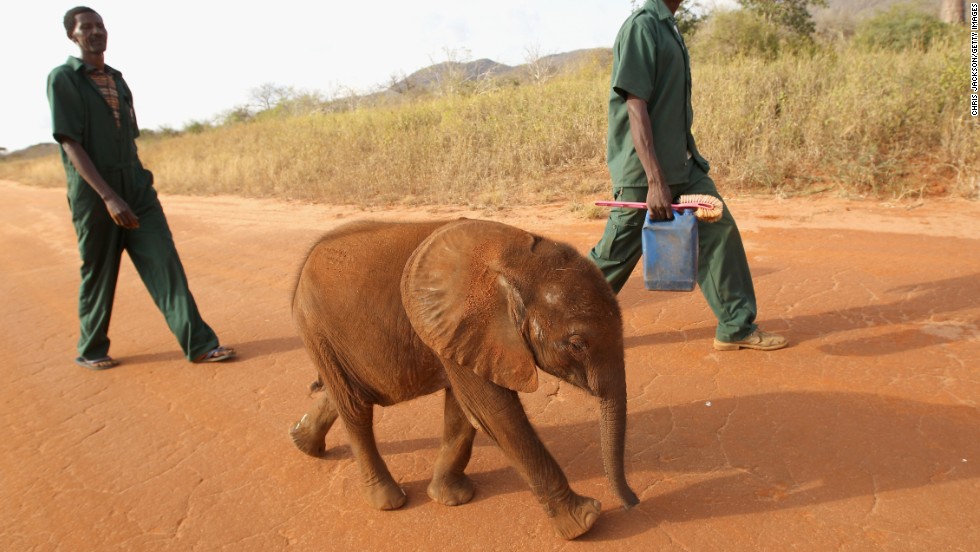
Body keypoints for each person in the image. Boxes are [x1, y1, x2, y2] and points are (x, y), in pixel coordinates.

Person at [588, 0, 787, 351]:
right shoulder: (642, 25)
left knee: (719, 230)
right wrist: (654, 180)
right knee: (615, 256)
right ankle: (545, 318)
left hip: (684, 166)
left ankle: (736, 326)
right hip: (644, 170)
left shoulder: (669, 26)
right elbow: (635, 107)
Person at [48, 6, 236, 369]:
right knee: (98, 272)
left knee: (165, 262)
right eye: (86, 27)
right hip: (94, 194)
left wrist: (139, 183)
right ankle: (91, 348)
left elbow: (127, 138)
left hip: (135, 187)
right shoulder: (64, 78)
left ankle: (199, 344)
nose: (96, 32)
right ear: (72, 36)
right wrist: (108, 196)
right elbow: (70, 143)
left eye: (100, 25)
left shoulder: (118, 79)